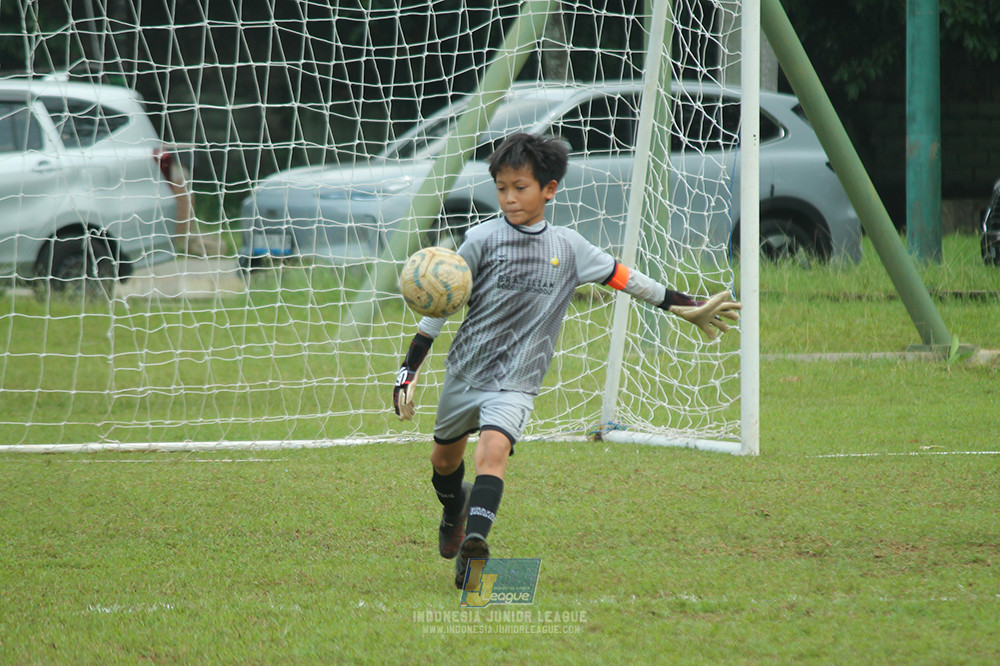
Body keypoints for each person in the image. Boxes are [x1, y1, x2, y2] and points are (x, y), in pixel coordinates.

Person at [392, 132, 740, 589]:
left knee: (492, 452)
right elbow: (440, 304)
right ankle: (455, 509)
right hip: (466, 372)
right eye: (501, 188)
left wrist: (682, 304)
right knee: (443, 462)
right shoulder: (480, 239)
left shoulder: (570, 247)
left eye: (520, 187)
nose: (510, 198)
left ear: (549, 189)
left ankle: (475, 544)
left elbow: (627, 278)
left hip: (518, 379)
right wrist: (408, 370)